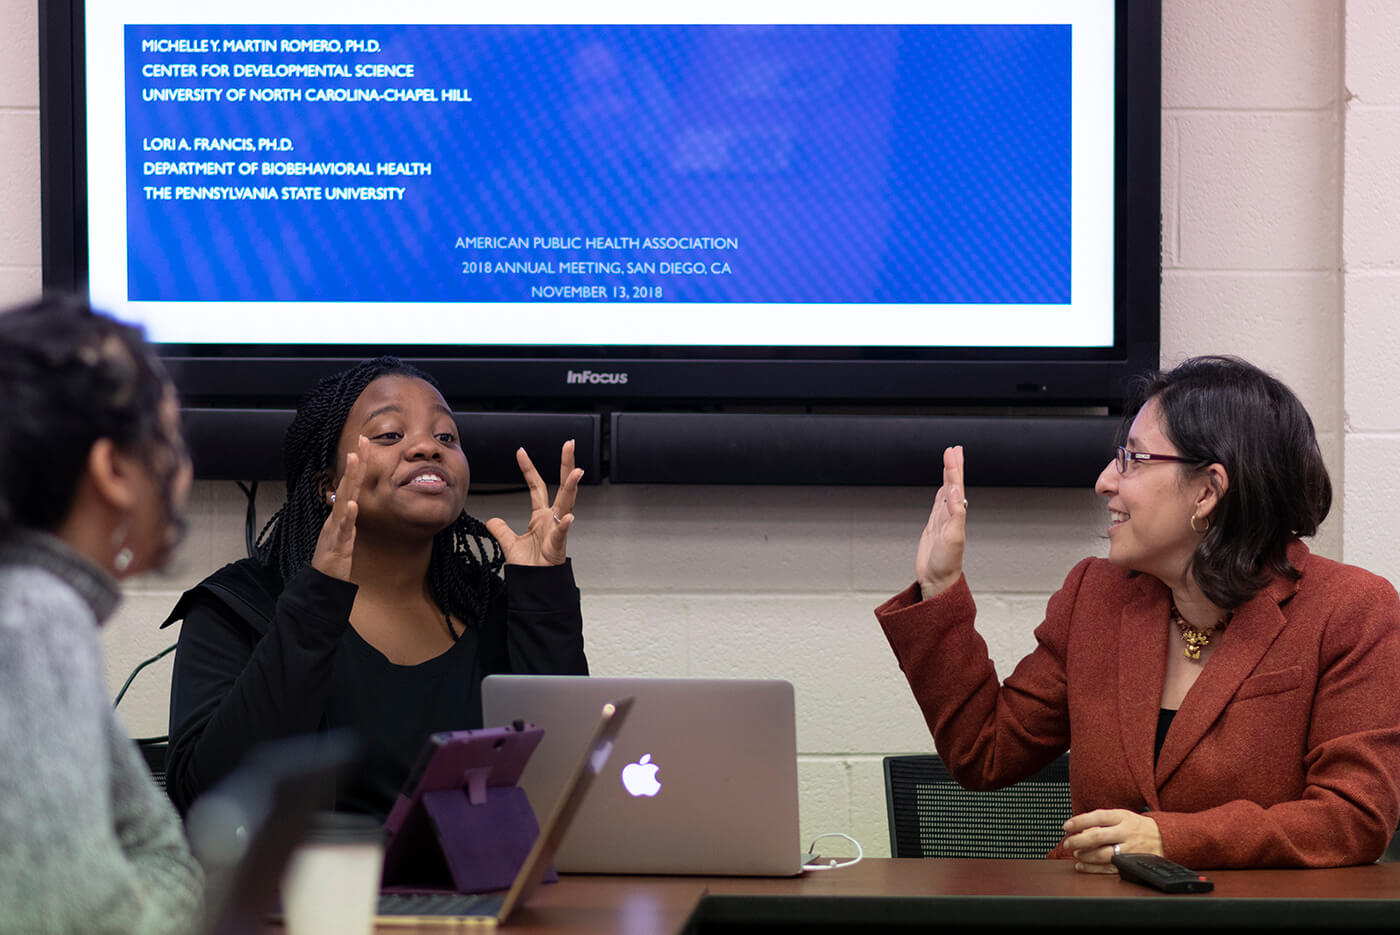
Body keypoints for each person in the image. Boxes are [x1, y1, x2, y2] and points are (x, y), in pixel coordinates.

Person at [875, 355, 1400, 871]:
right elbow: (984, 752)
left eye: (1131, 459)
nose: (1105, 481)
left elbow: (1352, 817)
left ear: (1208, 490)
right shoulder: (1096, 594)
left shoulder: (1350, 610)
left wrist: (1170, 838)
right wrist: (939, 585)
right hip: (1102, 916)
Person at [163, 356, 588, 818]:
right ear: (328, 482)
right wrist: (318, 597)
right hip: (313, 889)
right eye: (390, 434)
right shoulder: (239, 607)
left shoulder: (490, 607)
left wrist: (543, 587)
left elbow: (564, 786)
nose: (428, 447)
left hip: (483, 886)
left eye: (446, 436)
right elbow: (209, 798)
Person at [0, 295, 203, 933]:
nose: (185, 468)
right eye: (169, 437)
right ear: (112, 469)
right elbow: (82, 921)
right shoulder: (36, 617)